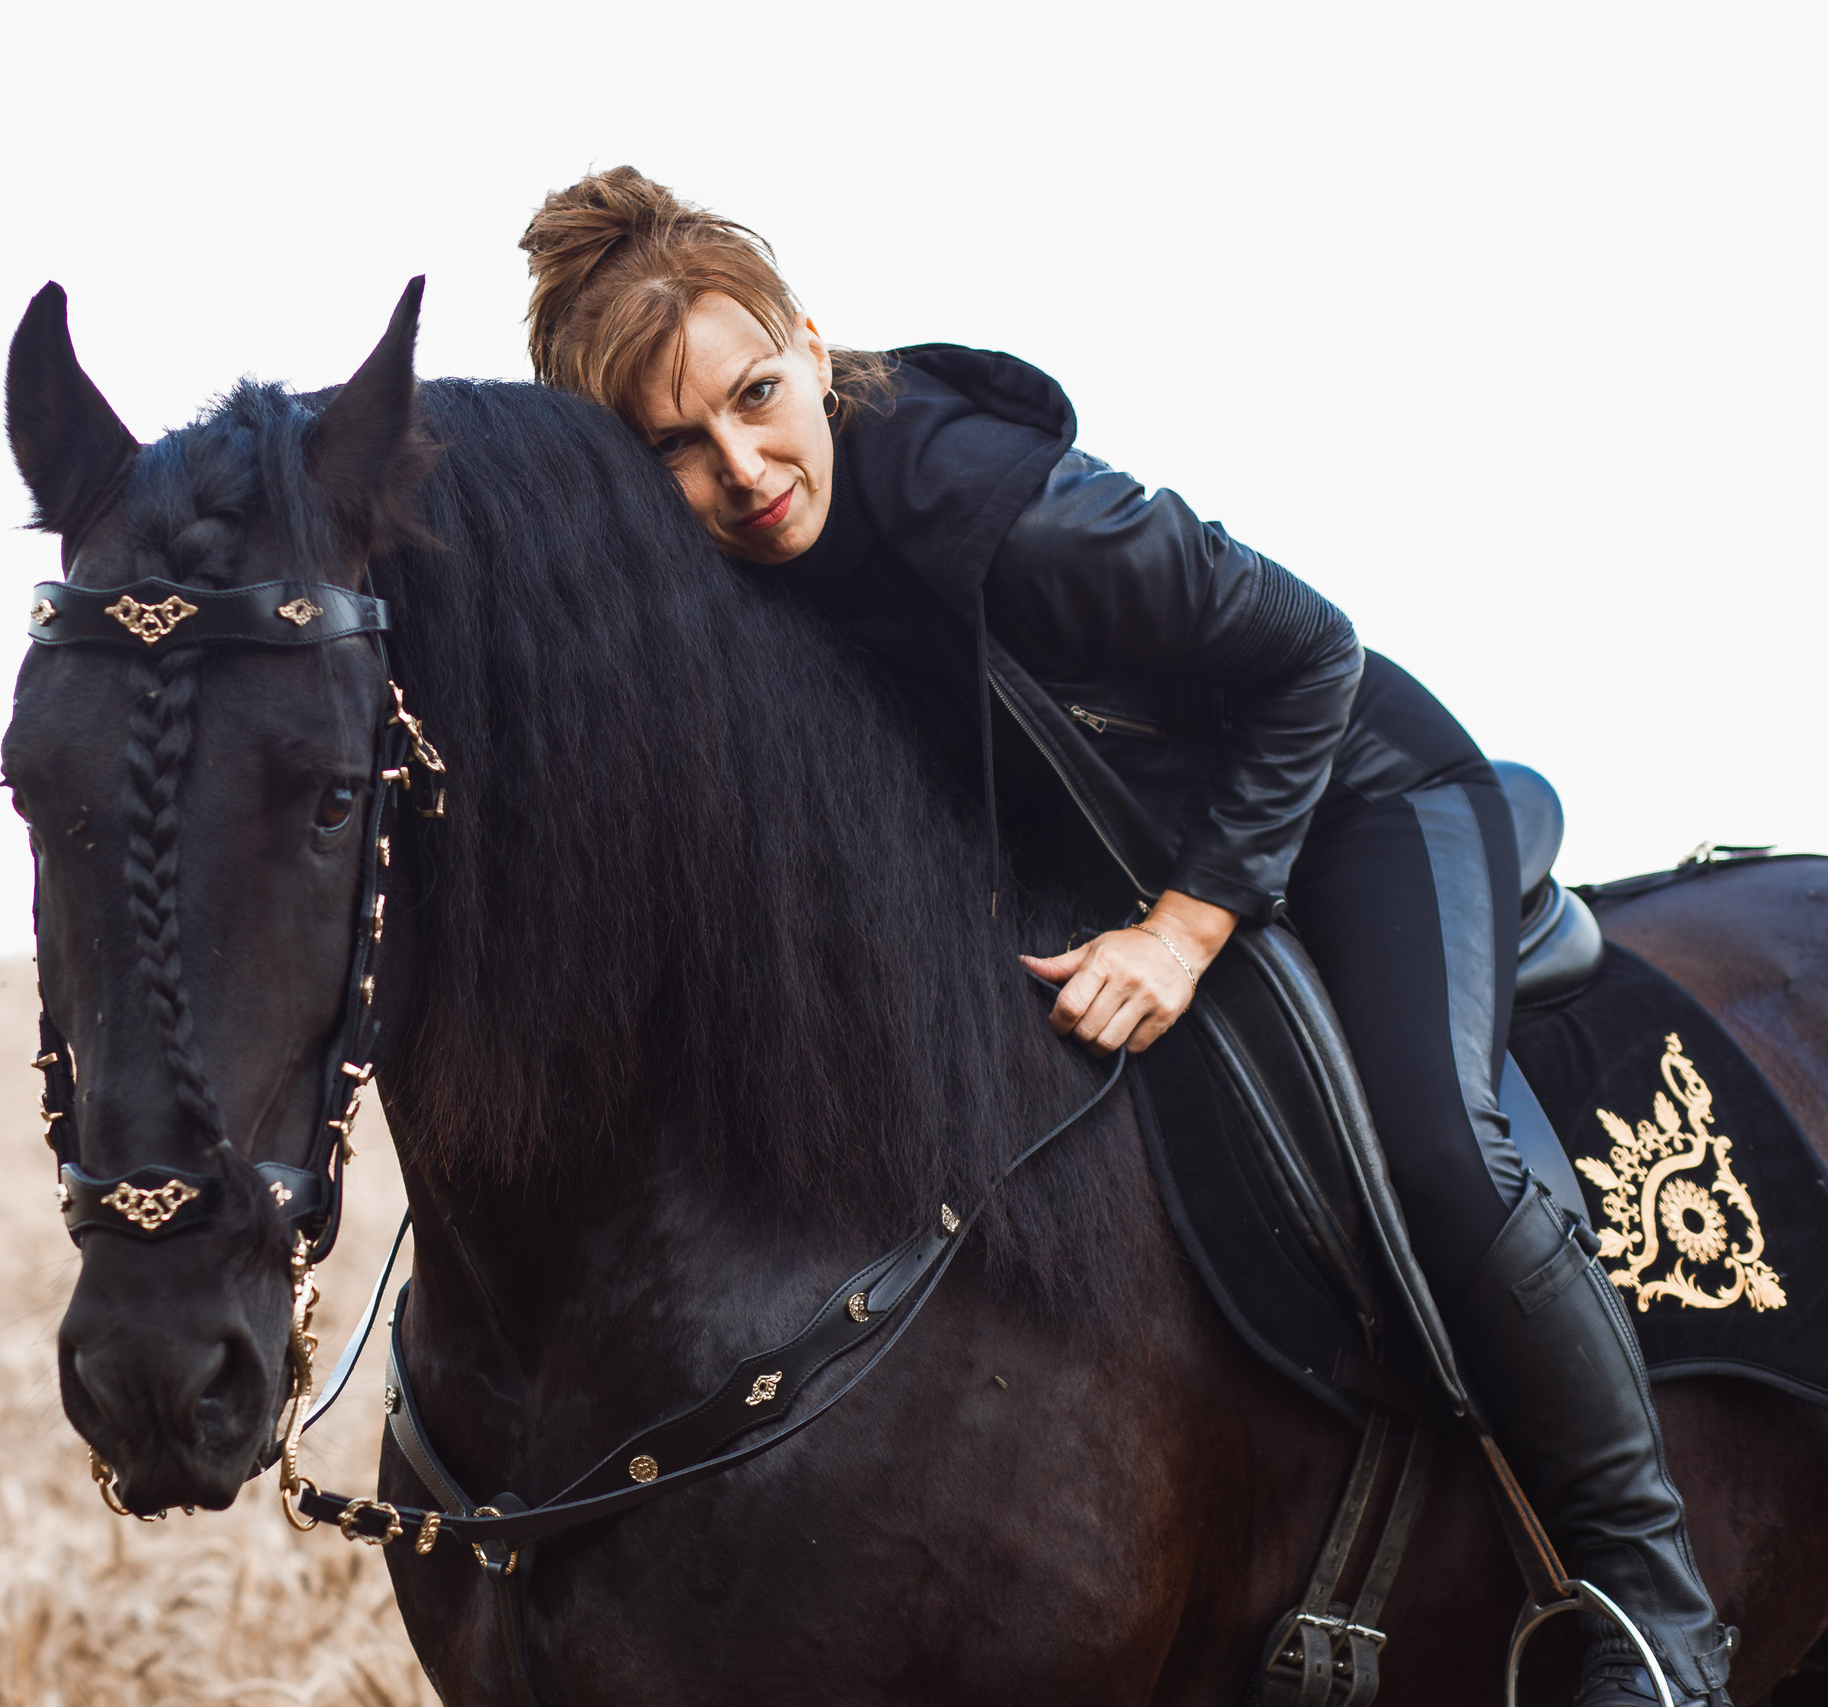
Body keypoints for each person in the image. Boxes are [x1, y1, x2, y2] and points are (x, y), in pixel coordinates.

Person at [516, 165, 1734, 1707]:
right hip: (1112, 861)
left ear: (813, 348)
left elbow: (1309, 652)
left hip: (1356, 796)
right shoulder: (721, 593)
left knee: (1437, 1149)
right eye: (675, 450)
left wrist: (1183, 927)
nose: (744, 466)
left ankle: (1655, 1614)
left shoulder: (1001, 509)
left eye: (757, 395)